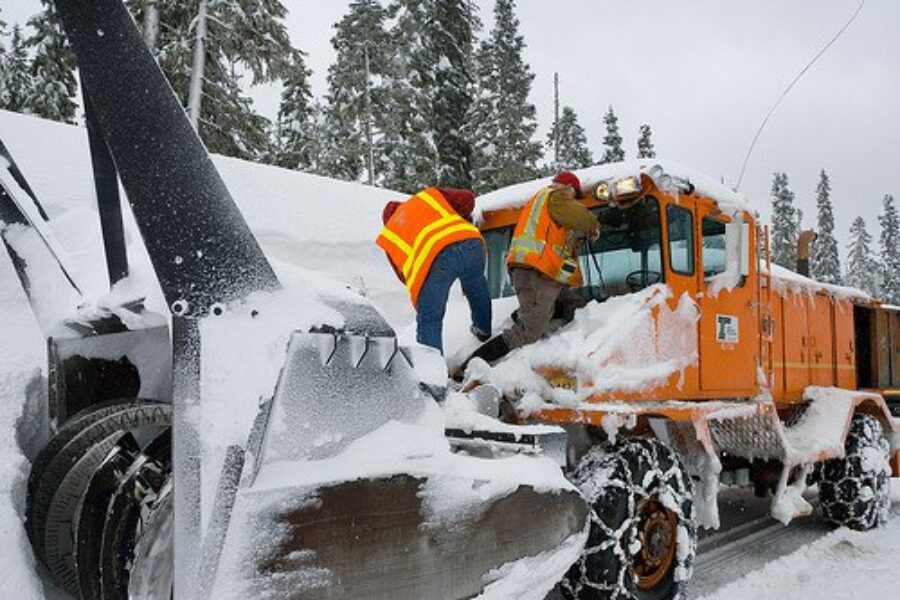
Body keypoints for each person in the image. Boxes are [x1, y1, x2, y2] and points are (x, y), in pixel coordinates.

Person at [460, 171, 599, 369]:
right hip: (536, 271)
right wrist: (594, 226)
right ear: (569, 188)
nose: (574, 200)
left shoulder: (543, 205)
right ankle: (472, 364)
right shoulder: (556, 197)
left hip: (541, 272)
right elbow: (582, 218)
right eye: (575, 195)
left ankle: (532, 314)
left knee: (575, 306)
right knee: (529, 331)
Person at [376, 187, 492, 354]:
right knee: (476, 286)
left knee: (429, 319)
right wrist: (461, 219)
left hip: (436, 261)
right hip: (471, 242)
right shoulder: (427, 198)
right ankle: (483, 330)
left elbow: (404, 274)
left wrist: (424, 298)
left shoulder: (390, 234)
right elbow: (467, 198)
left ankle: (432, 373)